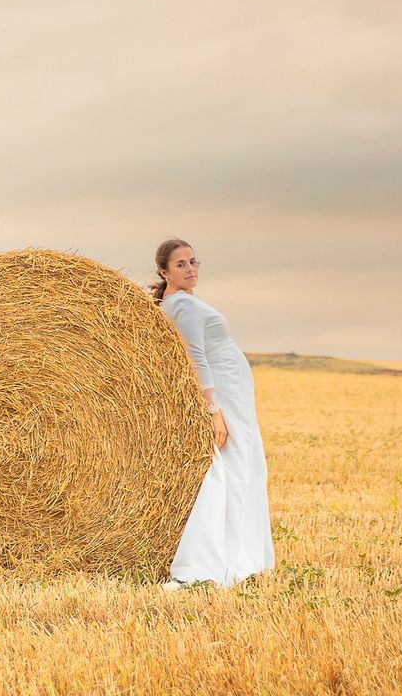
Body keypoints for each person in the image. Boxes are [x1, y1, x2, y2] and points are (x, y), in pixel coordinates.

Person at [153, 238, 275, 589]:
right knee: (234, 468)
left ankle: (241, 552)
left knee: (243, 465)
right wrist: (213, 411)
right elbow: (196, 357)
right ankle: (225, 555)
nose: (190, 269)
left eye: (193, 262)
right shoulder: (184, 307)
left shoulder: (183, 302)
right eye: (180, 265)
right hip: (223, 394)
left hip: (233, 392)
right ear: (164, 272)